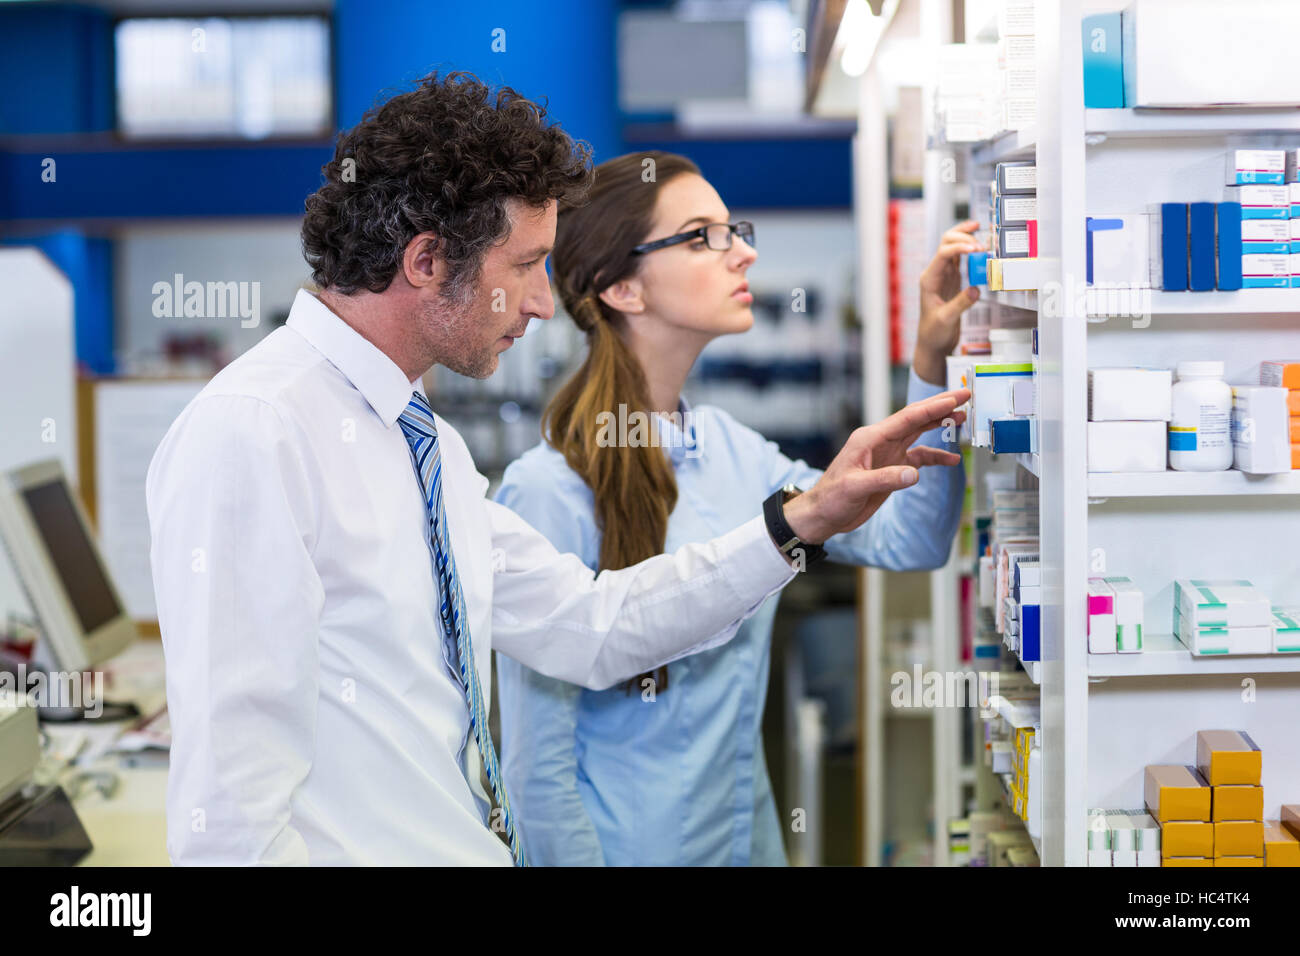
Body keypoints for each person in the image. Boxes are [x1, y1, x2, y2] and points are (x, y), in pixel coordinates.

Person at [145, 74, 969, 866]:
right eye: (525, 266)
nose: (545, 303)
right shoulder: (257, 432)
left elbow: (592, 626)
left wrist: (799, 520)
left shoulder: (418, 440)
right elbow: (230, 823)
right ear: (428, 261)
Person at [494, 151, 984, 866]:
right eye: (703, 236)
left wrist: (930, 360)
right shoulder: (548, 489)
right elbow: (536, 774)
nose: (743, 253)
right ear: (622, 287)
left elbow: (911, 543)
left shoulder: (733, 453)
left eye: (735, 230)